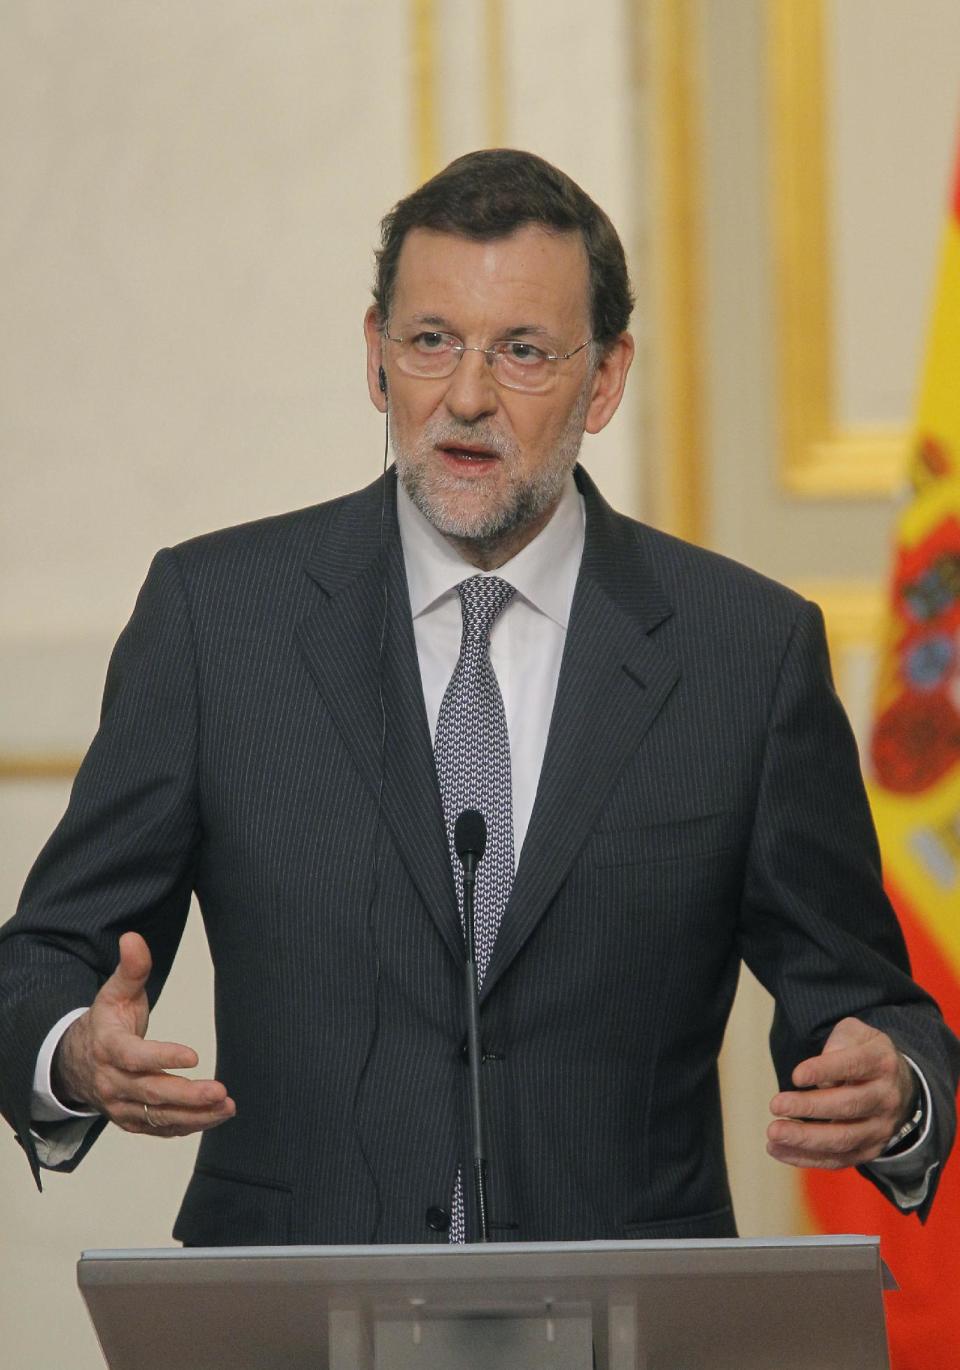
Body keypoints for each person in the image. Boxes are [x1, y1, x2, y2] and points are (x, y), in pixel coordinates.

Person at [0, 149, 957, 1247]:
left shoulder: (745, 651)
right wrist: (74, 1048)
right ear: (376, 357)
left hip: (625, 1317)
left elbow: (877, 1005)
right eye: (431, 341)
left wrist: (892, 1090)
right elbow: (40, 959)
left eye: (522, 351)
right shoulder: (219, 621)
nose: (465, 394)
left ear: (603, 380)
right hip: (294, 1315)